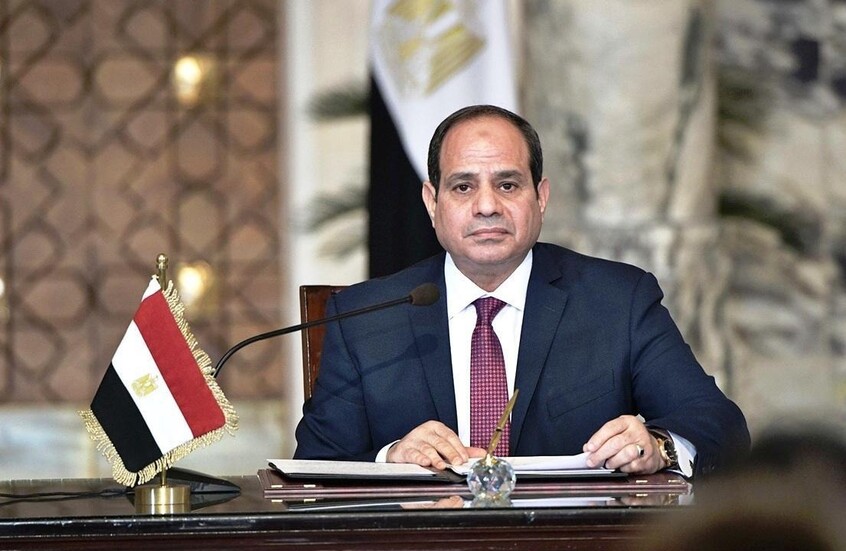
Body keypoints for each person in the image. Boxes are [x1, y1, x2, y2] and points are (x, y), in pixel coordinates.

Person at [294, 105, 750, 477]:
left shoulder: (618, 301)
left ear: (541, 198)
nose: (487, 206)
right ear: (432, 203)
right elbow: (312, 466)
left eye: (507, 185)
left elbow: (719, 425)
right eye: (463, 186)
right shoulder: (365, 317)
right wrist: (388, 458)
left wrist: (658, 445)